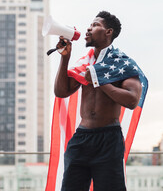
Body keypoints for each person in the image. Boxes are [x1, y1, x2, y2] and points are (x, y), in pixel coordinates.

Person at [54, 11, 142, 191]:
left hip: (108, 139)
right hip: (81, 138)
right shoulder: (86, 63)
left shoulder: (122, 63)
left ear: (108, 32)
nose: (89, 28)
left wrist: (99, 80)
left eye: (95, 25)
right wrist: (65, 58)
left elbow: (132, 100)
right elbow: (61, 92)